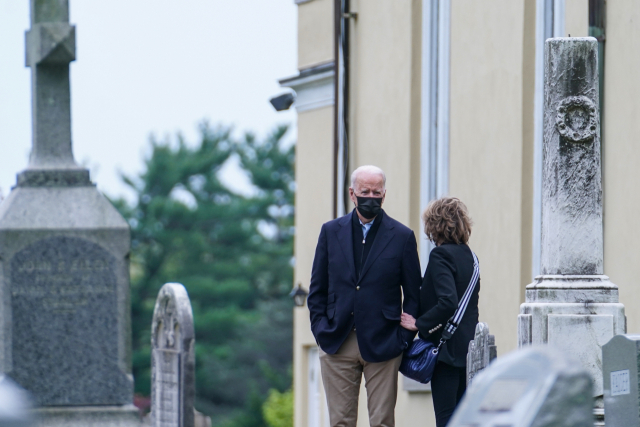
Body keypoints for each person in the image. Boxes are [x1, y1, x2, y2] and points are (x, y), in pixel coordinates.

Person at [307, 165, 422, 427]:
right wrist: (321, 329)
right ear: (352, 193)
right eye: (365, 191)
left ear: (384, 194)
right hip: (337, 340)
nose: (371, 197)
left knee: (382, 422)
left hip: (385, 343)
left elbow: (414, 294)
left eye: (376, 192)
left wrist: (403, 338)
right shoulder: (330, 232)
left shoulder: (402, 237)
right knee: (340, 422)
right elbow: (317, 290)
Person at [400, 197, 479, 427]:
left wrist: (419, 324)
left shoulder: (440, 256)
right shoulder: (471, 258)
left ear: (434, 226)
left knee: (445, 420)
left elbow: (448, 302)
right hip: (468, 352)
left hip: (446, 355)